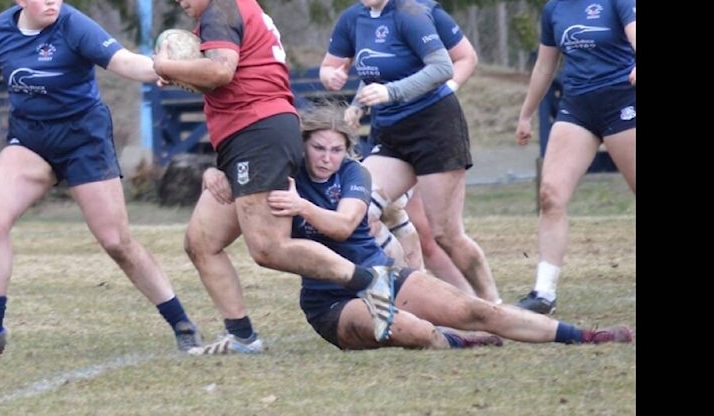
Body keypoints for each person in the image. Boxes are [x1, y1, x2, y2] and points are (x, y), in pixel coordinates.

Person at [0, 0, 203, 354]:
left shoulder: (74, 25)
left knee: (117, 243)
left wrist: (162, 69)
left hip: (83, 141)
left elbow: (124, 61)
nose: (51, 1)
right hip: (31, 141)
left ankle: (182, 323)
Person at [154, 0, 401, 353]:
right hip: (247, 136)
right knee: (201, 242)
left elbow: (220, 71)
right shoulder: (235, 3)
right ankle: (243, 337)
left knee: (268, 247)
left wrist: (164, 66)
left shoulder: (221, 8)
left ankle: (369, 278)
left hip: (259, 134)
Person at [266, 103, 633, 351]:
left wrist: (302, 207)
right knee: (409, 329)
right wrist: (220, 174)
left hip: (383, 278)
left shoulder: (354, 173)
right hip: (331, 303)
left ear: (347, 149)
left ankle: (584, 336)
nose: (327, 158)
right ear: (303, 147)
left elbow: (344, 225)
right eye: (318, 149)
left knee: (481, 312)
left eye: (335, 149)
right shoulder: (286, 174)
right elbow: (245, 173)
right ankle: (458, 343)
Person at [319, 0, 501, 303]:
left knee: (446, 234)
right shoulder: (353, 19)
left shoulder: (411, 14)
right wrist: (346, 92)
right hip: (390, 133)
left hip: (435, 129)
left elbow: (442, 66)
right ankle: (409, 296)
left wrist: (391, 93)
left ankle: (492, 304)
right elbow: (356, 70)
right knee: (357, 215)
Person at [513, 0, 636, 314]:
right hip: (578, 107)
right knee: (550, 195)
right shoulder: (555, 9)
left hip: (622, 102)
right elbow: (544, 69)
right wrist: (526, 114)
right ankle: (544, 293)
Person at [346, 0, 479, 294]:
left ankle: (472, 302)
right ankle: (425, 295)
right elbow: (375, 73)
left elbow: (465, 57)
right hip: (390, 135)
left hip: (431, 130)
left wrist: (442, 94)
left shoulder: (424, 11)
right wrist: (356, 104)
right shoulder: (364, 16)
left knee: (433, 234)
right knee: (384, 217)